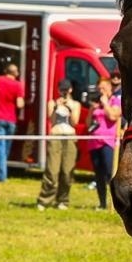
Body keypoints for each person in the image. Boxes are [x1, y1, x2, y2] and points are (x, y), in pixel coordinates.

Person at [37, 80, 81, 210]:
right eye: (62, 90)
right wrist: (56, 107)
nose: (64, 92)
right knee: (52, 170)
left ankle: (63, 200)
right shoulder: (52, 102)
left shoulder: (76, 104)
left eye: (66, 90)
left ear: (70, 90)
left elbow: (74, 122)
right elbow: (51, 121)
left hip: (70, 137)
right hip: (55, 136)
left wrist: (69, 108)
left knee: (67, 171)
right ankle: (44, 200)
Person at [86, 77, 121, 211]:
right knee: (98, 174)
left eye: (104, 88)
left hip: (108, 142)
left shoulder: (114, 101)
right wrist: (91, 109)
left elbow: (113, 116)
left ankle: (116, 203)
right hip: (94, 142)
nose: (101, 91)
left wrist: (105, 104)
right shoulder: (97, 103)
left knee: (109, 173)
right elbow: (88, 123)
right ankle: (102, 202)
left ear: (110, 88)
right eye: (99, 88)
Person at [0, 62, 24, 182]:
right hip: (11, 119)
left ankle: (0, 175)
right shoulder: (18, 85)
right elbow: (20, 104)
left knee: (0, 149)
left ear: (5, 71)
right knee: (5, 149)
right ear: (16, 73)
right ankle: (0, 174)